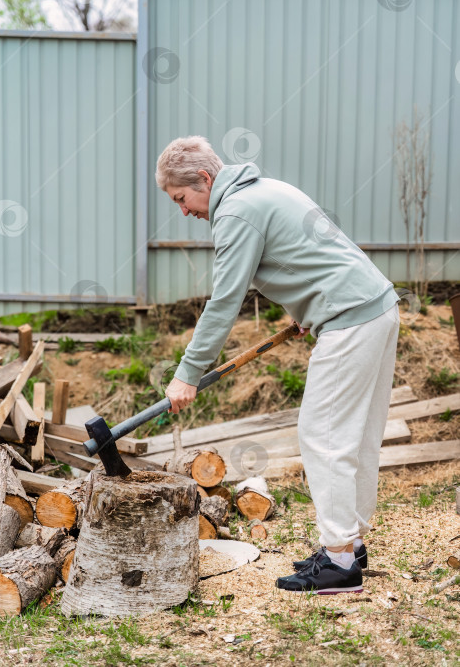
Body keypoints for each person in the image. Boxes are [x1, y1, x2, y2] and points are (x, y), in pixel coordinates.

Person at [155, 135, 400, 595]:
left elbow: (224, 302)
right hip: (377, 307)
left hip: (350, 321)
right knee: (358, 435)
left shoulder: (235, 212)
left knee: (324, 437)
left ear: (204, 180)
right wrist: (306, 307)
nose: (183, 211)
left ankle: (339, 563)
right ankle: (349, 544)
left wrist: (187, 373)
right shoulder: (267, 189)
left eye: (181, 198)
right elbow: (312, 253)